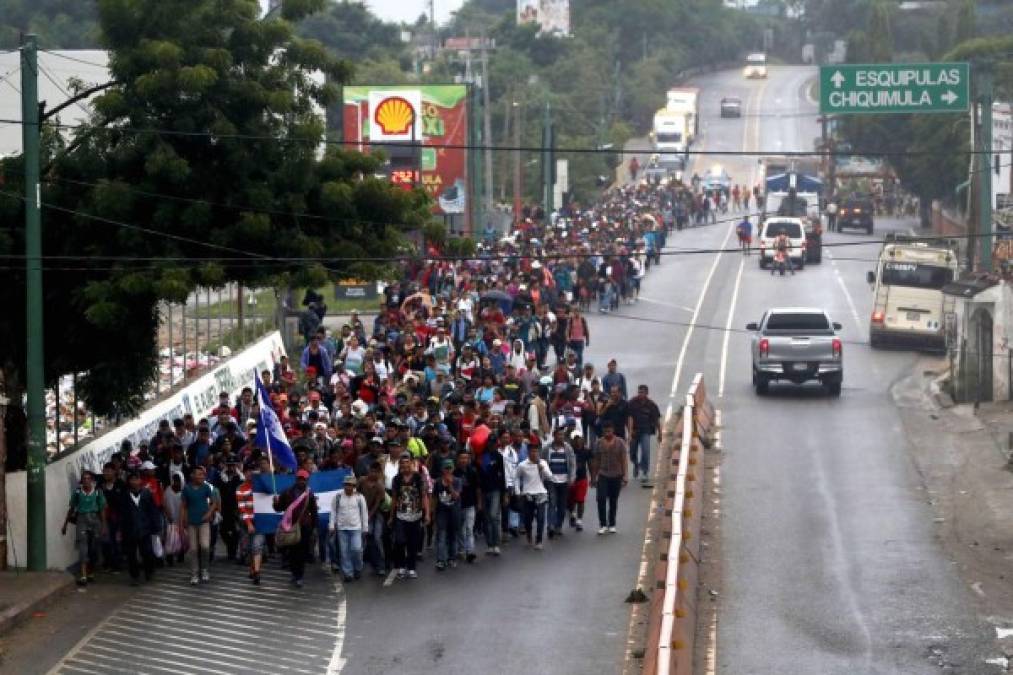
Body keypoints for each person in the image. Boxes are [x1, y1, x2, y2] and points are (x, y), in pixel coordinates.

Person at [273, 469, 319, 587]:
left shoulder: (310, 494)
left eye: (304, 479)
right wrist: (275, 503)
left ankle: (299, 576)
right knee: (293, 551)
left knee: (302, 552)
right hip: (291, 526)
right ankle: (294, 573)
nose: (302, 481)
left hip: (304, 527)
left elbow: (314, 511)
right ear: (296, 479)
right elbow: (279, 508)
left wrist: (314, 526)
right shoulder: (287, 493)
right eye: (300, 479)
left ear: (307, 480)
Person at [61, 470, 106, 586]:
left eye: (88, 478)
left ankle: (91, 572)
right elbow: (71, 509)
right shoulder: (77, 492)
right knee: (83, 548)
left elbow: (102, 510)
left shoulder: (97, 492)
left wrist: (104, 525)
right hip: (82, 520)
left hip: (95, 521)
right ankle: (84, 575)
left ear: (92, 480)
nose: (86, 481)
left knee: (94, 548)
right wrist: (65, 524)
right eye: (84, 479)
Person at [390, 454, 430, 579]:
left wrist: (427, 513)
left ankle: (411, 568)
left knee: (413, 543)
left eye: (407, 462)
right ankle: (401, 566)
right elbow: (394, 498)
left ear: (411, 463)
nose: (405, 465)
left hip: (415, 516)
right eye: (402, 463)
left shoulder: (418, 478)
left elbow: (424, 496)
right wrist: (391, 516)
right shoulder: (396, 479)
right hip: (401, 516)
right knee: (400, 541)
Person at [120, 472, 161, 586]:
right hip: (130, 530)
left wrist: (156, 526)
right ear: (129, 482)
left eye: (136, 479)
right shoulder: (125, 496)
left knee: (147, 552)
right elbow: (122, 514)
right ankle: (135, 576)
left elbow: (153, 511)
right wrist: (122, 529)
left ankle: (149, 571)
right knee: (131, 555)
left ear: (140, 481)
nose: (134, 482)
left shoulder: (146, 494)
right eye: (132, 479)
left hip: (145, 529)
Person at [180, 465, 218, 585]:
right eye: (199, 474)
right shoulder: (186, 489)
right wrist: (182, 521)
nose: (202, 476)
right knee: (194, 549)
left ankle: (205, 569)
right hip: (191, 522)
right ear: (192, 475)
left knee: (205, 546)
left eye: (203, 474)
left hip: (204, 522)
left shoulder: (206, 487)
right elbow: (184, 506)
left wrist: (209, 513)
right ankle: (194, 574)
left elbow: (214, 502)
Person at [329, 474, 369, 582]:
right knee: (344, 552)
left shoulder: (360, 498)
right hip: (342, 528)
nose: (348, 487)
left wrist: (365, 528)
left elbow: (364, 513)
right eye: (346, 485)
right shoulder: (337, 497)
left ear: (354, 486)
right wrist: (332, 525)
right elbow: (333, 511)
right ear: (343, 485)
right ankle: (348, 573)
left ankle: (358, 568)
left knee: (356, 549)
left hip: (356, 527)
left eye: (351, 485)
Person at [591, 421, 628, 534]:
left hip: (616, 475)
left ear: (613, 430)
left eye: (609, 431)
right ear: (603, 431)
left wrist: (625, 475)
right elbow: (596, 460)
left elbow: (624, 460)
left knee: (613, 500)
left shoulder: (620, 443)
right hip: (603, 475)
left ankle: (612, 523)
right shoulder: (598, 443)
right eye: (605, 431)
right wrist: (593, 477)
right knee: (601, 498)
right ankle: (602, 524)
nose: (607, 433)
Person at [515, 441, 553, 549]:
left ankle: (539, 540)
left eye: (536, 451)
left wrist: (542, 468)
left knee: (541, 518)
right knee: (528, 518)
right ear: (528, 452)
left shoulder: (543, 463)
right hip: (528, 494)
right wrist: (518, 491)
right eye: (532, 451)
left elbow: (550, 477)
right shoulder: (522, 465)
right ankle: (529, 534)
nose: (534, 453)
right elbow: (516, 478)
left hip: (541, 493)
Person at [627, 385, 663, 485]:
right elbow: (630, 418)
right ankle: (636, 464)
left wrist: (660, 433)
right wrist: (629, 433)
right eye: (639, 392)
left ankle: (645, 472)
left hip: (646, 431)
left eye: (642, 392)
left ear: (647, 393)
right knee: (632, 452)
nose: (640, 394)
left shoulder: (652, 405)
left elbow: (657, 420)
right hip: (634, 431)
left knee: (646, 451)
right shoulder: (632, 403)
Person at [236, 463, 265, 585]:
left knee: (257, 546)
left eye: (252, 471)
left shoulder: (261, 487)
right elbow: (242, 509)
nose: (250, 474)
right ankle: (252, 568)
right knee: (247, 548)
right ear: (244, 473)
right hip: (245, 522)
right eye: (248, 471)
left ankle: (257, 572)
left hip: (260, 522)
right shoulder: (240, 489)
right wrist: (248, 523)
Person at [544, 429, 576, 538]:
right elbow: (543, 463)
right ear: (554, 436)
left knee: (562, 505)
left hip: (564, 481)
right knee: (552, 503)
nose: (561, 437)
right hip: (551, 480)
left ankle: (558, 526)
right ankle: (550, 526)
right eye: (558, 435)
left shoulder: (568, 448)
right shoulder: (547, 448)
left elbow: (572, 464)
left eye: (562, 435)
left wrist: (571, 478)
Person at [433, 459, 462, 570]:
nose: (448, 470)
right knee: (441, 536)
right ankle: (441, 560)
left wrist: (450, 485)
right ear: (442, 470)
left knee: (452, 537)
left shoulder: (457, 481)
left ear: (453, 469)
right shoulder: (438, 482)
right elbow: (435, 498)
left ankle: (452, 558)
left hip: (454, 513)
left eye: (450, 468)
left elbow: (456, 497)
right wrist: (432, 512)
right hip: (442, 513)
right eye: (446, 468)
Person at [454, 450, 482, 563]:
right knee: (460, 529)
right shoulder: (454, 473)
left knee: (469, 528)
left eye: (466, 458)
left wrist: (479, 503)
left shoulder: (473, 472)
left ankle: (470, 551)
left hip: (470, 504)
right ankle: (461, 549)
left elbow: (478, 488)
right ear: (458, 459)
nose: (464, 460)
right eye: (462, 458)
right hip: (458, 504)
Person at [568, 431, 592, 531]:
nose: (577, 440)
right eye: (575, 438)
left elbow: (590, 463)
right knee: (569, 501)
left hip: (582, 479)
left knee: (580, 500)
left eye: (579, 438)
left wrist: (593, 477)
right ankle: (572, 513)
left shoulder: (586, 451)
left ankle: (579, 520)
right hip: (570, 480)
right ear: (571, 440)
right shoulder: (568, 450)